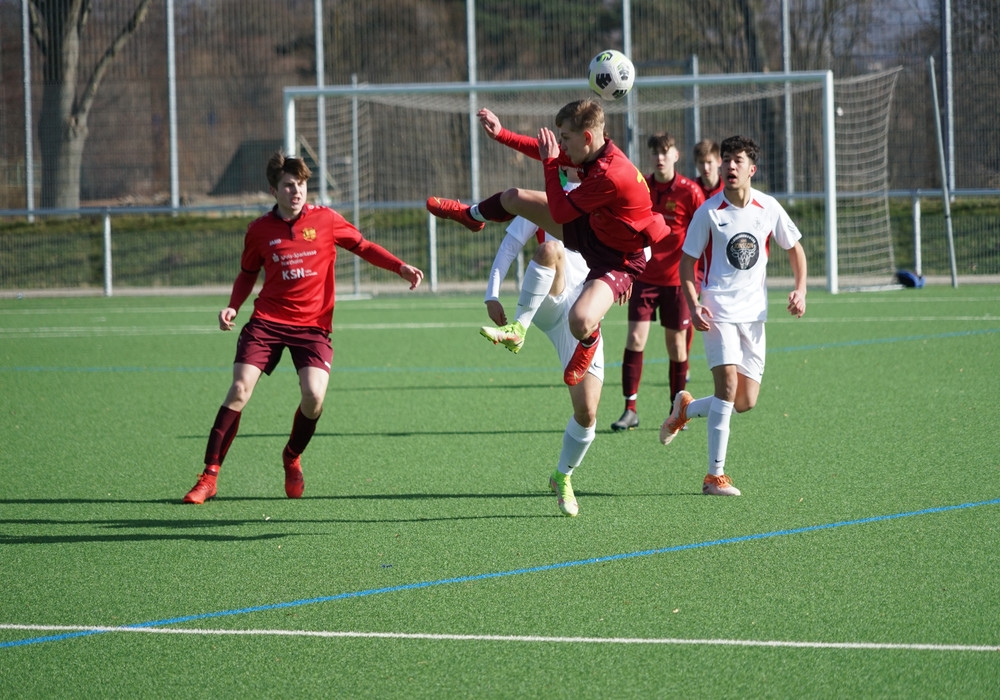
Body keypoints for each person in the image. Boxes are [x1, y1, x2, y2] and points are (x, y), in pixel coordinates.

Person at [182, 153, 424, 504]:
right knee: (239, 389)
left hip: (312, 327)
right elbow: (247, 273)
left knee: (313, 397)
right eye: (288, 185)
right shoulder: (259, 230)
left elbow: (363, 246)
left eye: (301, 185)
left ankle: (292, 456)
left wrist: (399, 267)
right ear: (274, 190)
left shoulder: (326, 220)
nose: (296, 191)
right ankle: (209, 476)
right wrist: (233, 305)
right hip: (267, 322)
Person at [427, 99, 668, 392]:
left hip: (618, 260)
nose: (562, 145)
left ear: (586, 137)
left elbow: (560, 212)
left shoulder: (610, 174)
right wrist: (502, 134)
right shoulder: (594, 153)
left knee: (579, 322)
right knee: (514, 197)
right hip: (592, 232)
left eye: (565, 138)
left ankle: (589, 342)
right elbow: (545, 150)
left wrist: (551, 163)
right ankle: (472, 216)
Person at [659, 135, 807, 496]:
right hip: (718, 312)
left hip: (753, 316)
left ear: (751, 169)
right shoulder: (709, 211)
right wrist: (694, 303)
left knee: (744, 401)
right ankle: (714, 476)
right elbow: (687, 263)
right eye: (726, 160)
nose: (729, 166)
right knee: (726, 387)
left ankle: (686, 409)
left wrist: (800, 289)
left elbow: (795, 249)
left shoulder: (768, 207)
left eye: (737, 160)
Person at [479, 168, 599, 516]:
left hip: (585, 314)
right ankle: (519, 327)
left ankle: (562, 476)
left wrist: (628, 277)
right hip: (551, 300)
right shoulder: (548, 201)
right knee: (551, 249)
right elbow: (509, 247)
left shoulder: (608, 198)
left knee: (587, 413)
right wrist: (491, 294)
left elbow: (641, 247)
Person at [611, 132, 705, 432]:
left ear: (676, 155)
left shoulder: (691, 192)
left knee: (677, 346)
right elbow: (627, 230)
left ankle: (677, 410)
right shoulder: (642, 186)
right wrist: (624, 271)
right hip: (644, 277)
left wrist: (699, 276)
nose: (660, 157)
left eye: (666, 151)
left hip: (677, 281)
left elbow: (705, 233)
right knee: (635, 339)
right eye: (655, 152)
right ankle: (630, 409)